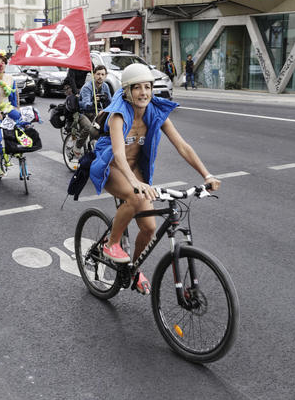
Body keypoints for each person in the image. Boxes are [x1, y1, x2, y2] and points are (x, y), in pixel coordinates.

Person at [88, 63, 221, 294]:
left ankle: (132, 268)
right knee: (132, 195)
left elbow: (183, 146)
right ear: (127, 91)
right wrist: (135, 184)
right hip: (111, 167)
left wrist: (206, 174)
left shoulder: (154, 112)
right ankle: (111, 244)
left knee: (149, 228)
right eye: (137, 88)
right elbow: (119, 154)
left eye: (148, 87)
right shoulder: (118, 115)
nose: (144, 92)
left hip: (135, 171)